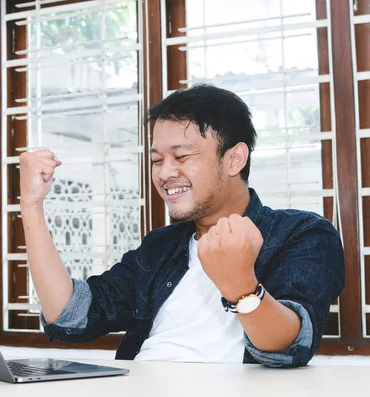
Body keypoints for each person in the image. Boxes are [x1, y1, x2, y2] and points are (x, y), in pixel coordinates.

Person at [18, 84, 345, 368]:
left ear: (234, 159)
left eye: (182, 157)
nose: (163, 174)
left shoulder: (301, 233)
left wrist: (241, 286)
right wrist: (32, 205)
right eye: (158, 160)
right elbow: (70, 315)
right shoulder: (161, 246)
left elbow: (288, 347)